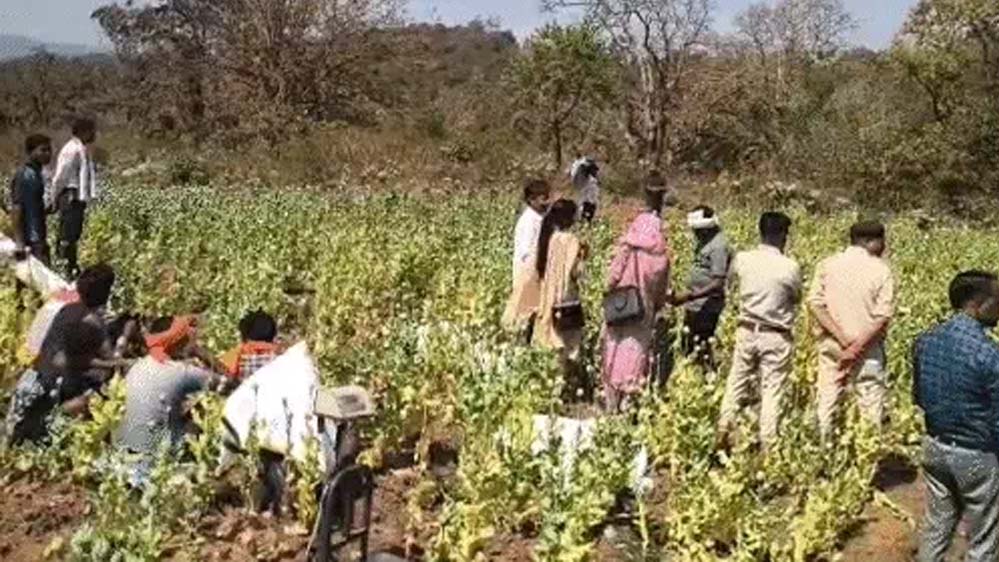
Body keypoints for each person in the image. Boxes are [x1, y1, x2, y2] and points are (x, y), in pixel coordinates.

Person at [913, 271, 999, 562]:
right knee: (983, 538)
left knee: (937, 526)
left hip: (934, 448)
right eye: (997, 301)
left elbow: (919, 398)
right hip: (975, 455)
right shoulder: (988, 354)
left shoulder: (925, 341)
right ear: (977, 304)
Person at [4, 264, 124, 446]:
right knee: (100, 395)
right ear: (105, 294)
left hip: (31, 376)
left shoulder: (63, 303)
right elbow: (109, 360)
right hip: (51, 387)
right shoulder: (90, 319)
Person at [716, 212, 802, 450]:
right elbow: (796, 297)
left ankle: (724, 428)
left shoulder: (743, 259)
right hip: (775, 333)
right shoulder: (790, 267)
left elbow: (730, 285)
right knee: (772, 390)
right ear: (783, 235)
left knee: (736, 381)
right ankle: (768, 445)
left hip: (746, 328)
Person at [807, 221, 894, 441]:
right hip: (868, 349)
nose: (884, 247)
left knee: (827, 399)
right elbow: (882, 317)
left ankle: (823, 449)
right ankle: (868, 451)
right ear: (871, 241)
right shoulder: (881, 270)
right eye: (882, 241)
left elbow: (815, 304)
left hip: (833, 345)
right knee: (870, 403)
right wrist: (856, 347)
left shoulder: (827, 265)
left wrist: (842, 338)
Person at [114, 315, 222, 484]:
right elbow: (227, 382)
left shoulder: (136, 367)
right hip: (159, 465)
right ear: (176, 342)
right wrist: (201, 353)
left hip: (126, 461)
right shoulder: (182, 372)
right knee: (203, 411)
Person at [601, 175, 671, 412]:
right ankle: (628, 402)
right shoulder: (660, 256)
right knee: (635, 351)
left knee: (613, 347)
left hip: (619, 304)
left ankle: (611, 401)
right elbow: (660, 289)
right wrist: (656, 303)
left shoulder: (627, 246)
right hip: (642, 308)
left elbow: (612, 276)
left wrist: (609, 290)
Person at [534, 199, 587, 394]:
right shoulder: (571, 241)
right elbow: (575, 273)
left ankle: (551, 387)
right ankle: (567, 389)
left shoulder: (552, 238)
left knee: (554, 343)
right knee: (571, 345)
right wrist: (584, 257)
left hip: (551, 297)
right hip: (568, 299)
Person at [670, 206, 731, 372]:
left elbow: (718, 282)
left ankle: (706, 377)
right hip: (695, 304)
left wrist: (689, 296)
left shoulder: (718, 246)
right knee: (688, 347)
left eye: (697, 230)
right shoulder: (705, 242)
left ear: (706, 228)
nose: (694, 233)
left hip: (707, 307)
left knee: (701, 349)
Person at [503, 178, 552, 343]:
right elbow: (527, 253)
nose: (547, 202)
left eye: (547, 197)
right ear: (532, 200)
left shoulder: (538, 219)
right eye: (543, 198)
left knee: (533, 313)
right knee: (524, 315)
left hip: (534, 273)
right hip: (528, 273)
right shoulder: (529, 221)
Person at [51, 117, 99, 279]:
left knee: (73, 235)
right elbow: (60, 177)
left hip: (76, 199)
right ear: (83, 132)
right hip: (70, 197)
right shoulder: (71, 149)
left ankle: (71, 267)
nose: (94, 134)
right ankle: (64, 269)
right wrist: (54, 197)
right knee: (67, 236)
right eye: (92, 131)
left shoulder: (82, 149)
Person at [9, 134, 54, 265]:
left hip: (38, 236)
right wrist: (19, 242)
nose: (48, 154)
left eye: (49, 150)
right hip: (31, 239)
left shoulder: (36, 173)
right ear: (31, 152)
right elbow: (17, 208)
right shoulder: (25, 175)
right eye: (43, 150)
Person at [220, 310, 281, 385]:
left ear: (244, 336)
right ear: (273, 335)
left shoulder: (237, 354)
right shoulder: (280, 354)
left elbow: (222, 372)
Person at [569, 155, 600, 223]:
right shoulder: (590, 182)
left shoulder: (578, 165)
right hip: (587, 194)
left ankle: (583, 219)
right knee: (589, 203)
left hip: (583, 191)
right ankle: (585, 220)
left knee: (584, 202)